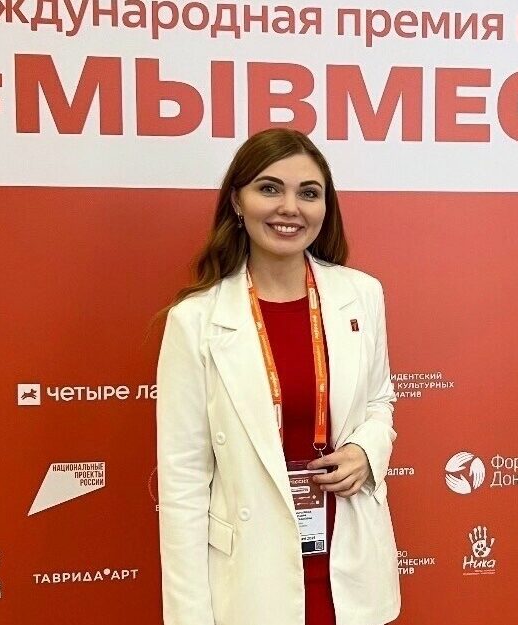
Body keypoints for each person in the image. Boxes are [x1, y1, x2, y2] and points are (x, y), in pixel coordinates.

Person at [156, 128, 400, 625]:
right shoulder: (195, 322)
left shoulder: (362, 295)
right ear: (237, 202)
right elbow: (182, 485)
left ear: (325, 207)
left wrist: (366, 451)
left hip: (349, 562)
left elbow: (379, 401)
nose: (290, 207)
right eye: (269, 189)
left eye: (308, 193)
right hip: (253, 578)